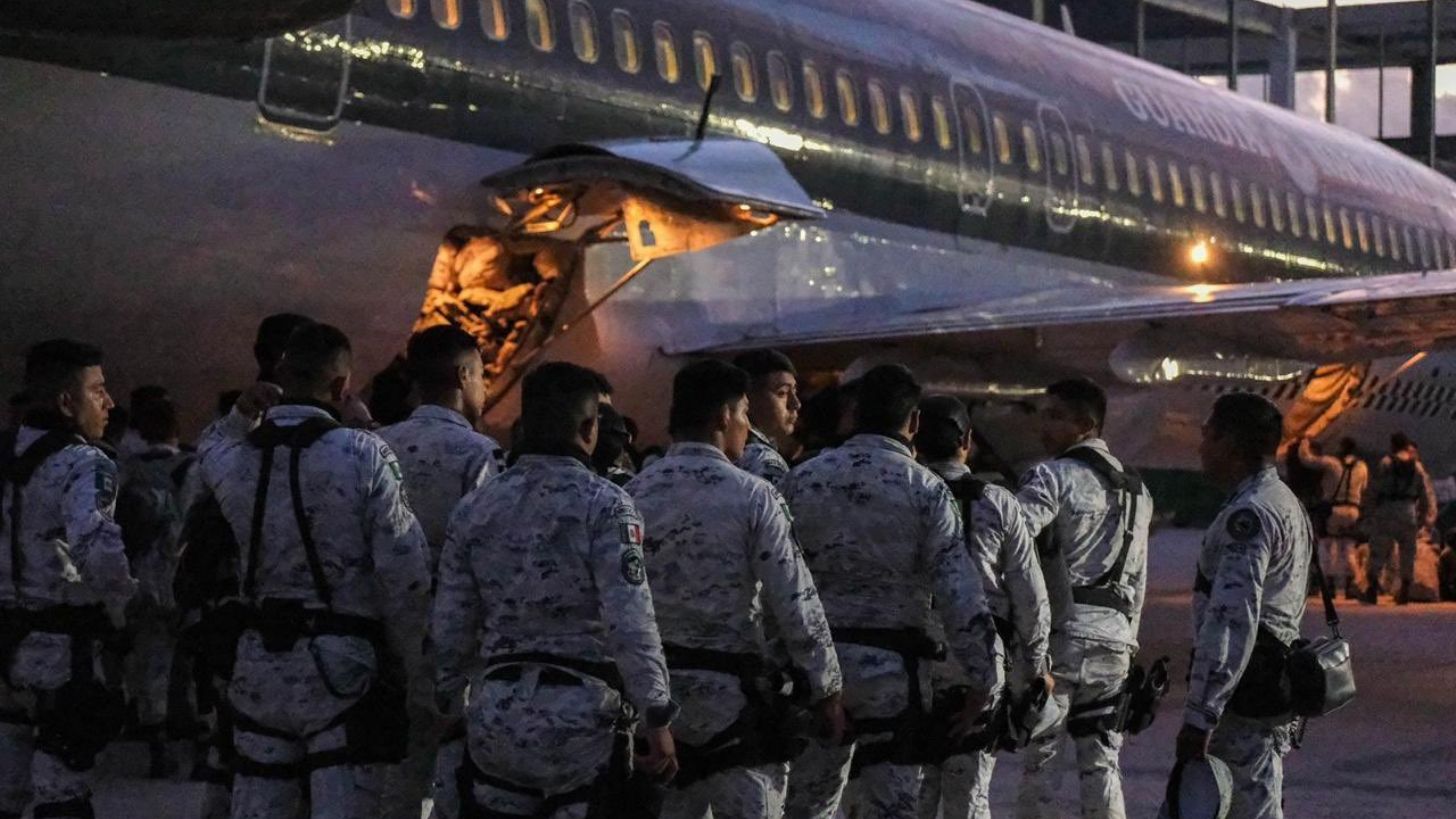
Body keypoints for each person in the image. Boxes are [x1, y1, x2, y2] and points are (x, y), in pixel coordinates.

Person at [199, 323, 431, 819]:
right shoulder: (364, 454)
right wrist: (413, 664)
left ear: (279, 377)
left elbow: (210, 446)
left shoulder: (237, 458)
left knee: (258, 805)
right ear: (342, 386)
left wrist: (242, 414)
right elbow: (405, 574)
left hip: (258, 665)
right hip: (341, 668)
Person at [431, 362, 679, 818]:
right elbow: (630, 621)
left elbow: (451, 620)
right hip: (581, 721)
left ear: (524, 425)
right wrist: (656, 714)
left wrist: (448, 699)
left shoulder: (476, 506)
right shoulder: (607, 505)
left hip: (497, 715)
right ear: (589, 428)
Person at [626, 359, 844, 819]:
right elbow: (795, 600)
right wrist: (826, 688)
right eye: (745, 412)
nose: (747, 426)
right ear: (724, 416)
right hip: (737, 709)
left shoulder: (630, 496)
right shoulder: (754, 496)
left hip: (657, 706)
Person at [781, 364, 997, 819]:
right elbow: (959, 593)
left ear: (853, 414)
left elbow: (776, 583)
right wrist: (984, 678)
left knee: (807, 806)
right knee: (892, 807)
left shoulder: (801, 480)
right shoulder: (926, 490)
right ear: (913, 421)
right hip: (892, 678)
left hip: (816, 673)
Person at [0, 339, 135, 819]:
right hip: (62, 653)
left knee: (6, 786)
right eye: (97, 390)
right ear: (65, 401)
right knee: (62, 788)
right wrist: (123, 602)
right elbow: (95, 545)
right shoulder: (85, 462)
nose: (109, 402)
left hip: (5, 645)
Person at [375, 325, 501, 819]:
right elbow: (486, 556)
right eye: (482, 376)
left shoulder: (374, 446)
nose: (484, 388)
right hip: (452, 646)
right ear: (463, 375)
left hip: (380, 642)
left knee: (392, 782)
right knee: (449, 780)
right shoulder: (479, 455)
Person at [1015, 377, 1152, 819]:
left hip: (1062, 637)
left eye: (1055, 416)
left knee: (1042, 760)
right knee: (1102, 764)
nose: (1044, 426)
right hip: (1115, 641)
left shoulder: (1051, 477)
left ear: (1086, 425)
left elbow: (1012, 543)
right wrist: (1130, 642)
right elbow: (1138, 577)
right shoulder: (1139, 491)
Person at [914, 395, 1052, 819]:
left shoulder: (902, 492)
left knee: (909, 794)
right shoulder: (996, 501)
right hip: (976, 665)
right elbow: (1030, 597)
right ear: (967, 442)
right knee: (969, 797)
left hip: (910, 662)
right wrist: (1034, 670)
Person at [1177, 393, 1313, 819]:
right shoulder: (1284, 502)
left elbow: (1231, 620)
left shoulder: (1250, 515)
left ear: (1231, 443)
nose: (1201, 447)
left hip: (1243, 704)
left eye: (1208, 436)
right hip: (1267, 694)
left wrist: (1201, 714)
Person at [116, 395, 194, 778]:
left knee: (152, 665)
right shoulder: (191, 467)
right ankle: (199, 743)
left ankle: (157, 742)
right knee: (196, 663)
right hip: (187, 578)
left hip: (143, 581)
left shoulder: (126, 472)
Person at [1362, 432, 1437, 605]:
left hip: (1387, 510)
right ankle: (1404, 590)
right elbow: (1424, 494)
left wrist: (1369, 511)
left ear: (1393, 445)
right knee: (1407, 553)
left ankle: (1372, 588)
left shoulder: (1386, 463)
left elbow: (1375, 489)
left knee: (1378, 550)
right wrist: (1423, 517)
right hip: (1408, 510)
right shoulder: (1417, 466)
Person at [1296, 437, 1368, 600]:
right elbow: (1364, 488)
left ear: (1342, 447)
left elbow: (1306, 459)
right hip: (1353, 510)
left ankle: (1328, 584)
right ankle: (1351, 583)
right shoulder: (1362, 467)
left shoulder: (1332, 463)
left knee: (1327, 545)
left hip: (1333, 509)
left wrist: (1304, 442)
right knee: (1348, 548)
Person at [731, 350, 801, 487]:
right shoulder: (762, 460)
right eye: (782, 393)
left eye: (795, 391)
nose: (796, 404)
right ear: (746, 399)